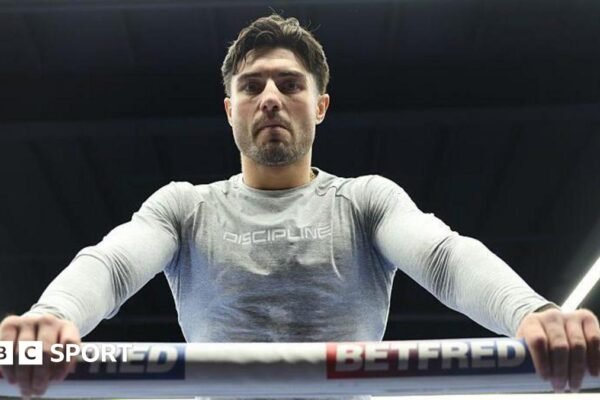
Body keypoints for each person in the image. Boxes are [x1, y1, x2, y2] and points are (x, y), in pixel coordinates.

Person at [1, 14, 599, 400]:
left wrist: (532, 312)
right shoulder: (184, 207)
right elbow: (112, 264)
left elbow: (443, 258)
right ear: (230, 110)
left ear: (320, 106)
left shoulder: (365, 200)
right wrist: (53, 316)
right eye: (251, 86)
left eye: (289, 85)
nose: (270, 98)